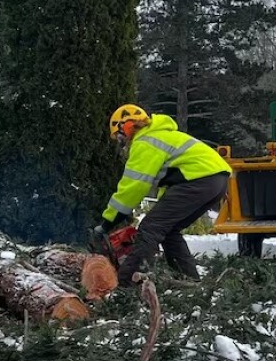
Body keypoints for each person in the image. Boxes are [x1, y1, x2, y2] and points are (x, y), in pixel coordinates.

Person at [97, 104, 233, 286]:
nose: (122, 141)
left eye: (120, 136)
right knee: (169, 230)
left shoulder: (145, 141)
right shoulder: (162, 135)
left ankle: (126, 283)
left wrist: (107, 222)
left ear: (127, 126)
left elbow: (133, 186)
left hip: (199, 180)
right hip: (215, 181)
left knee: (150, 228)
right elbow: (170, 184)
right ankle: (190, 283)